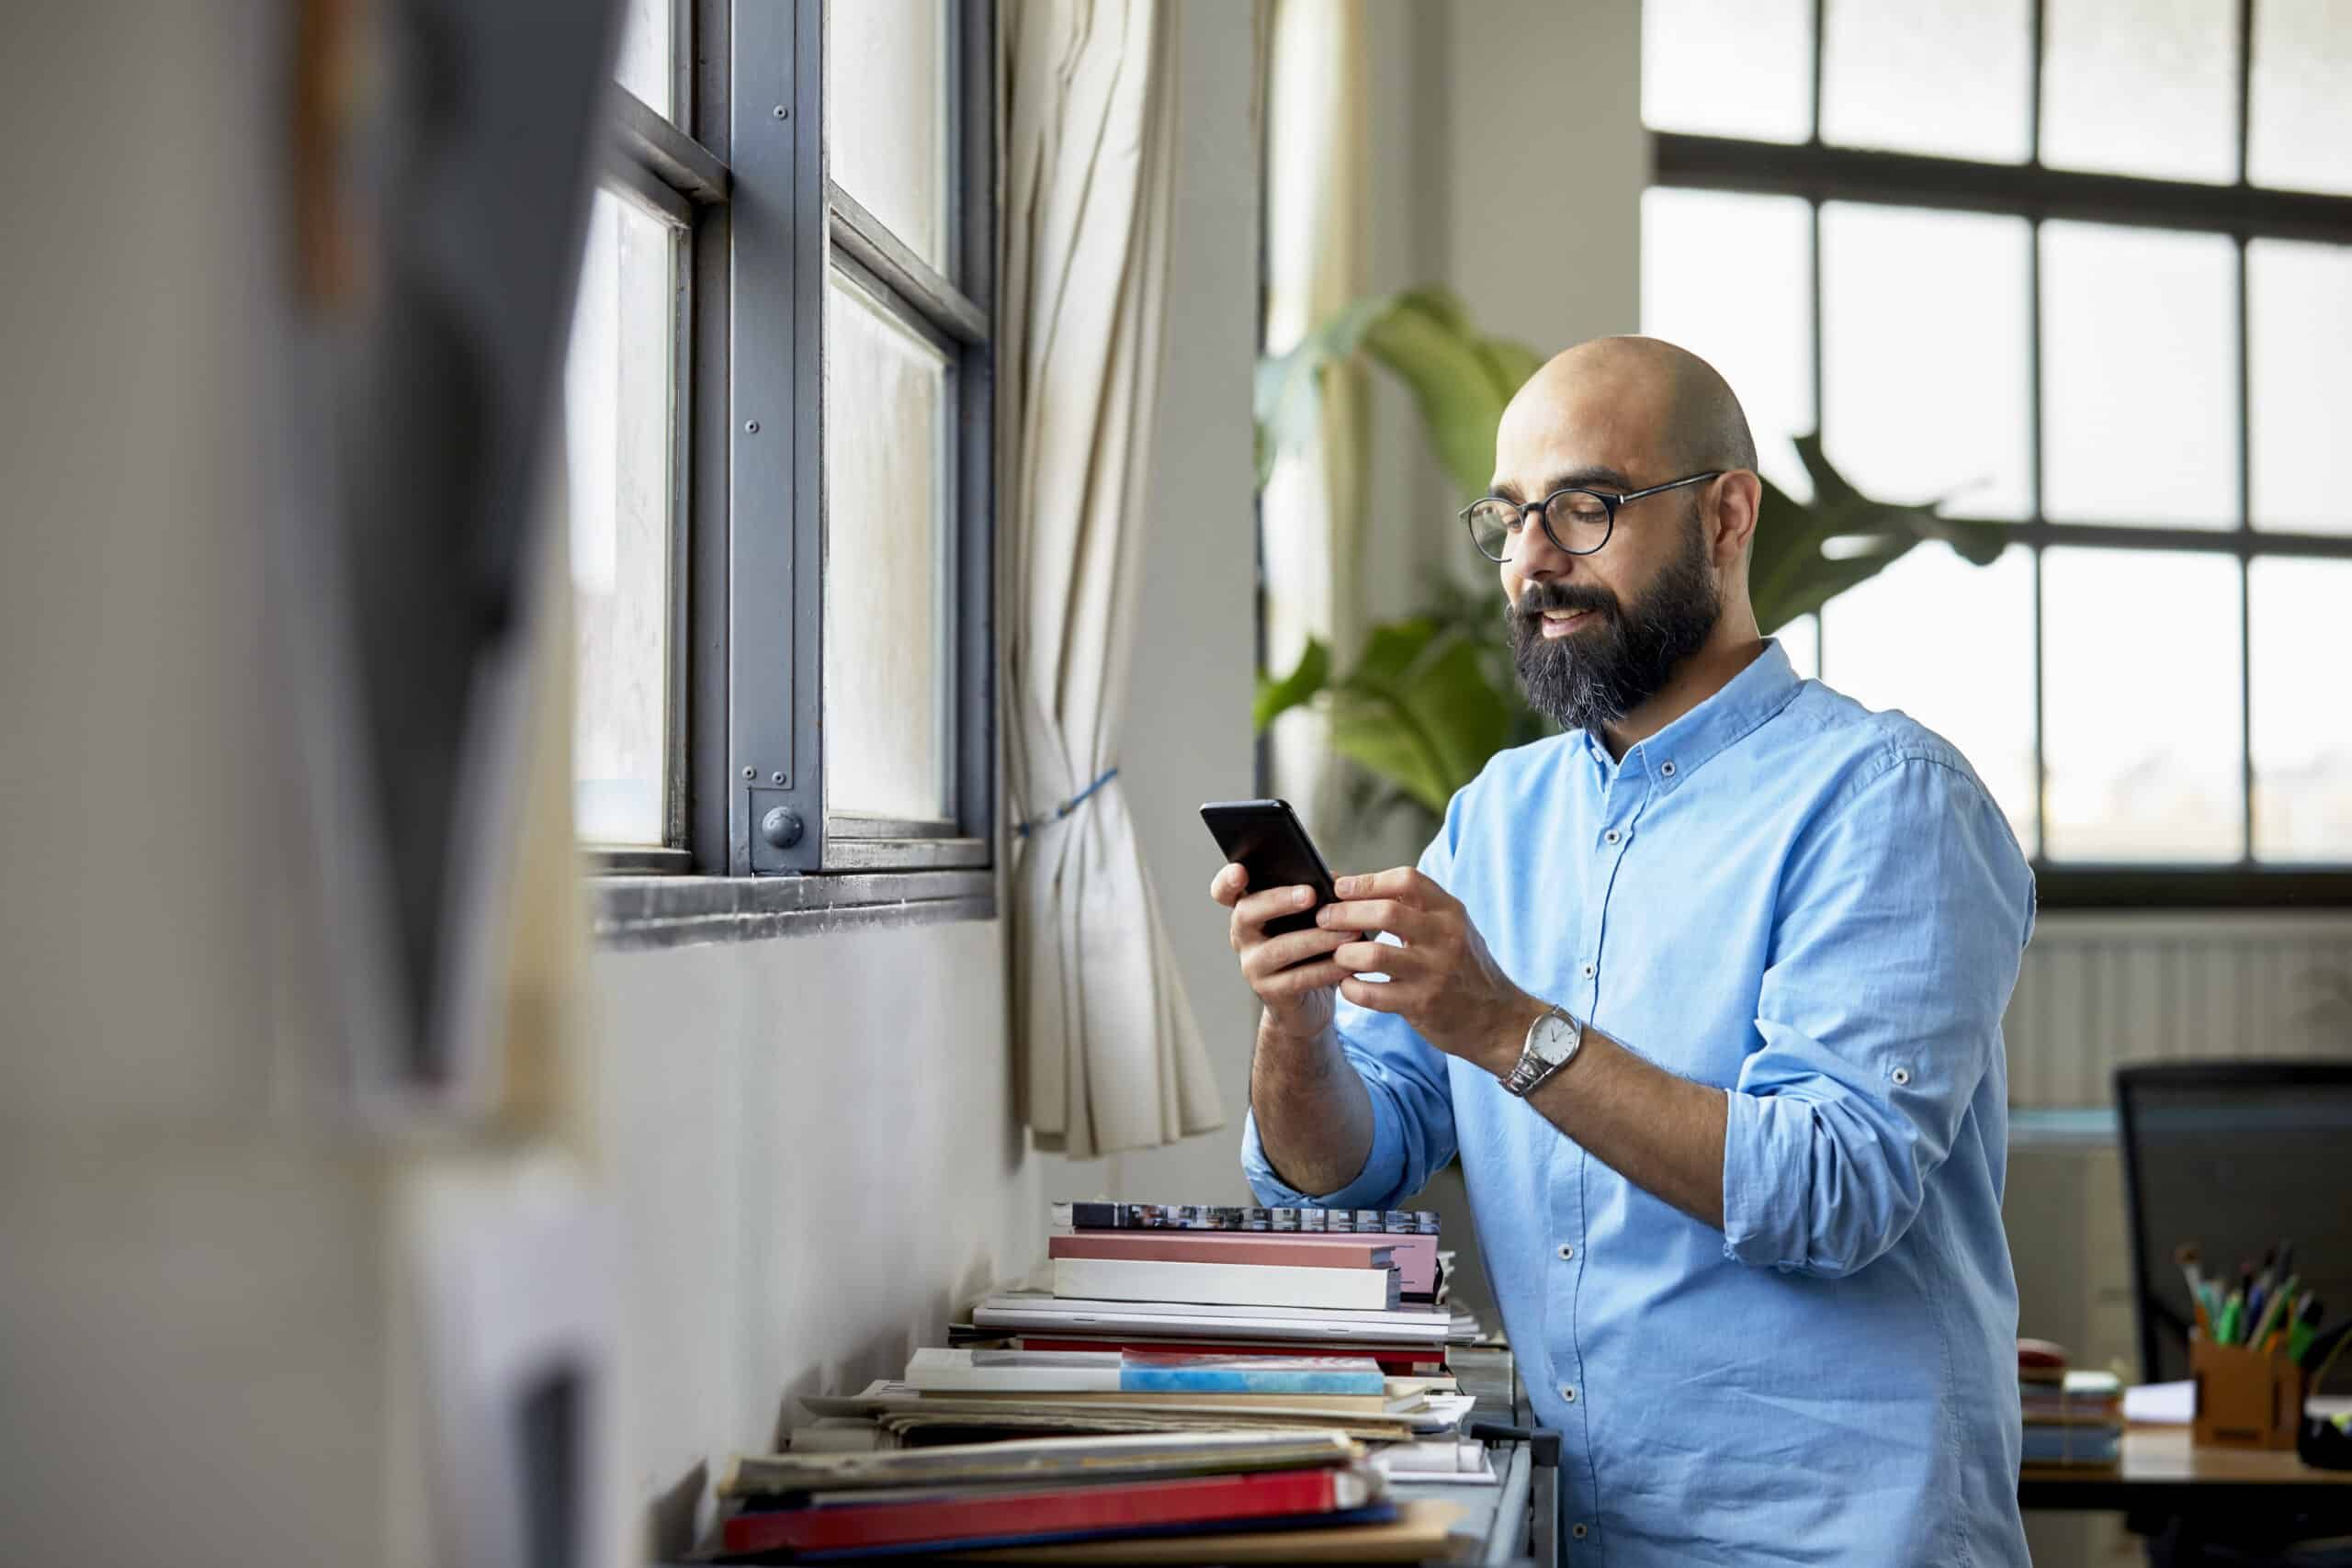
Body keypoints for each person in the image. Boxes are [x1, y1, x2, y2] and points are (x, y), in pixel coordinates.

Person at [1216, 336, 2034, 1565]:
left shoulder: (1890, 801)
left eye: (1584, 509)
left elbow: (1833, 1188)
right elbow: (1347, 1170)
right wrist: (1298, 1021)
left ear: (1725, 517)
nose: (1532, 559)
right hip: (1588, 1538)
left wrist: (1504, 1028)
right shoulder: (1499, 815)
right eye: (1508, 519)